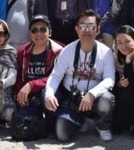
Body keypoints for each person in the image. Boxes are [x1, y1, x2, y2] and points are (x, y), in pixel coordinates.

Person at [44, 10, 116, 143]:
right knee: (62, 135)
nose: (86, 30)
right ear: (76, 29)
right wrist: (49, 94)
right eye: (82, 26)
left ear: (98, 29)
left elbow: (110, 79)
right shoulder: (67, 51)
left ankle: (102, 126)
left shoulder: (106, 52)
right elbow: (55, 76)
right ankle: (82, 121)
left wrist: (92, 94)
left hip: (94, 100)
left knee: (107, 99)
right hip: (71, 99)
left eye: (91, 26)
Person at [13, 15, 63, 136]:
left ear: (50, 32)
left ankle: (52, 123)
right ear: (30, 34)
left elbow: (57, 77)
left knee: (48, 93)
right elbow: (20, 76)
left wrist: (31, 85)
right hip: (29, 95)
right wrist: (20, 93)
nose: (38, 33)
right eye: (34, 30)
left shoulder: (60, 51)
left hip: (48, 92)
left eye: (43, 29)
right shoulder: (22, 51)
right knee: (24, 124)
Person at [110, 25, 134, 136]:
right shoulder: (115, 58)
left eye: (127, 41)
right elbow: (114, 82)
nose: (124, 46)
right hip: (122, 97)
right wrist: (119, 84)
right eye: (120, 42)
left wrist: (128, 61)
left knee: (129, 90)